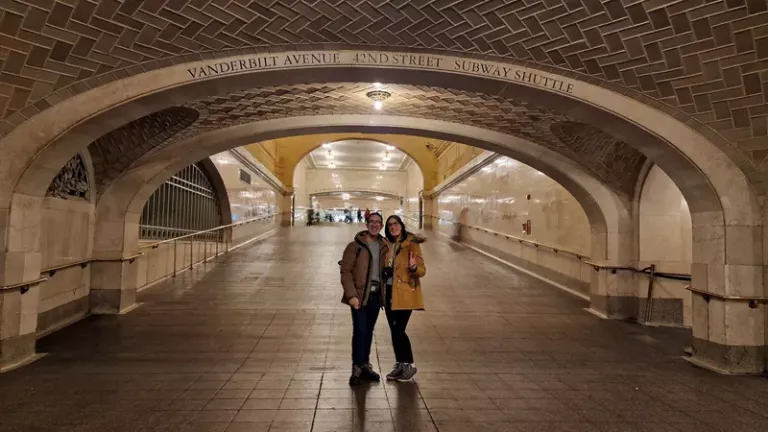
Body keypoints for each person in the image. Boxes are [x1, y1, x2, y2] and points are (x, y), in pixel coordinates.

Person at [339, 212, 390, 385]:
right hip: (360, 296)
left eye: (378, 222)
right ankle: (356, 367)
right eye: (371, 222)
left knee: (368, 331)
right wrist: (351, 295)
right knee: (359, 330)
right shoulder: (355, 246)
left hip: (376, 296)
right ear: (366, 224)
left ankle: (365, 365)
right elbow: (345, 272)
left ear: (381, 226)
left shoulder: (384, 246)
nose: (375, 225)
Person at [382, 215, 426, 382]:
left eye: (396, 224)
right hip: (389, 293)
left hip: (405, 293)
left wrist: (414, 267)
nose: (393, 227)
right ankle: (400, 363)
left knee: (399, 330)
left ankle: (410, 365)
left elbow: (422, 270)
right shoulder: (385, 244)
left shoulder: (411, 244)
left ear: (401, 225)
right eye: (390, 225)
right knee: (394, 331)